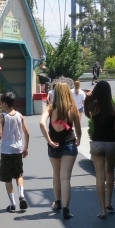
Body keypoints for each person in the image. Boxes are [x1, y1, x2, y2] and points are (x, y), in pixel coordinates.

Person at [39, 82, 82, 219]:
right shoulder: (73, 108)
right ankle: (66, 209)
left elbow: (41, 123)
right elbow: (78, 128)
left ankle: (57, 202)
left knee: (56, 174)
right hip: (69, 144)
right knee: (66, 177)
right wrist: (79, 139)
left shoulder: (50, 108)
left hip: (54, 145)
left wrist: (49, 140)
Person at [85, 81, 115, 219]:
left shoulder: (94, 107)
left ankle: (102, 209)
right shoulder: (114, 108)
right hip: (111, 144)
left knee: (100, 175)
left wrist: (88, 97)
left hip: (97, 143)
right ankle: (109, 202)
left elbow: (85, 111)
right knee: (110, 173)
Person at [0, 91, 30, 212]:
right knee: (19, 174)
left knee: (7, 178)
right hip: (18, 149)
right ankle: (21, 195)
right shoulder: (20, 115)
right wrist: (26, 148)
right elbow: (27, 132)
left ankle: (12, 204)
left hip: (6, 151)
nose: (1, 105)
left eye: (2, 103)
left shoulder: (1, 117)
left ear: (5, 104)